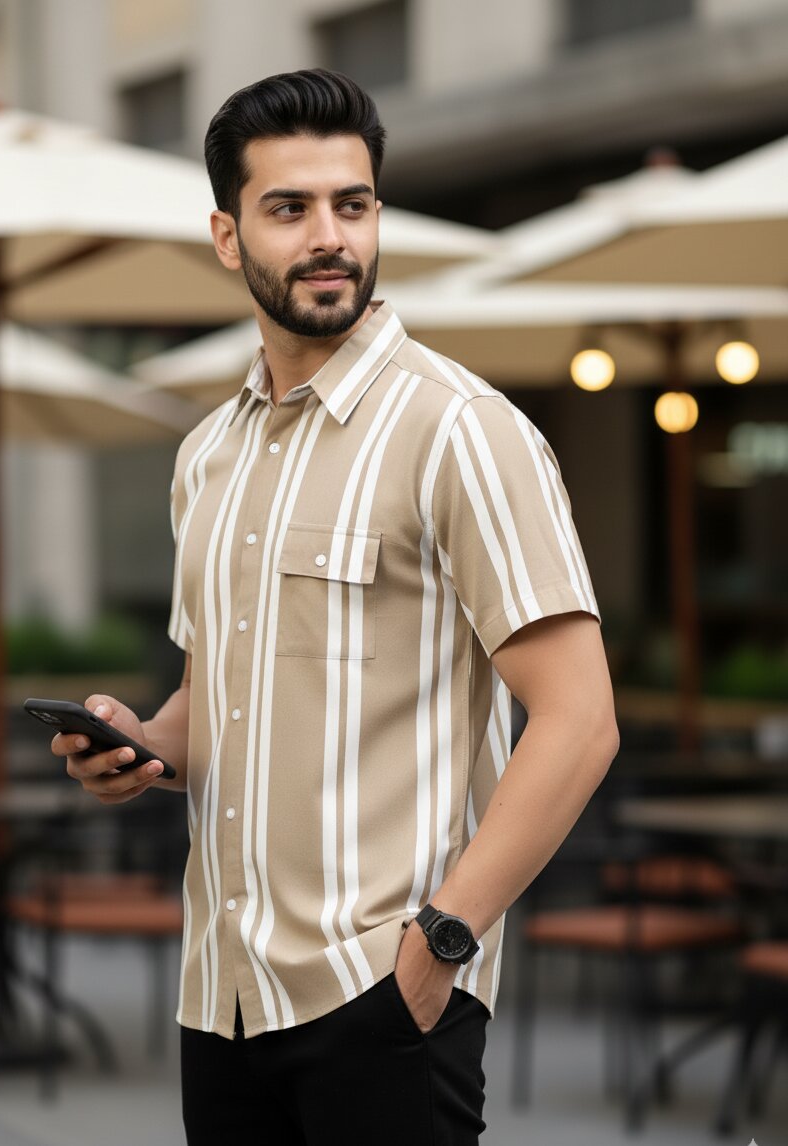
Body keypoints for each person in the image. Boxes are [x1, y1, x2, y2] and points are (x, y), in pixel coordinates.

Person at [53, 68, 618, 1146]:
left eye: (352, 205)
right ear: (227, 237)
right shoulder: (206, 454)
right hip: (218, 997)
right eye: (289, 208)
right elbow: (216, 699)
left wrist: (438, 949)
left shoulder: (461, 429)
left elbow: (581, 720)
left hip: (382, 998)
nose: (330, 237)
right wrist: (139, 746)